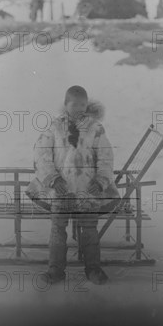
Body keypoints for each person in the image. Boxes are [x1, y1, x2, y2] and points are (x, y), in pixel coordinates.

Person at [26, 86, 120, 285]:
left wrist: (101, 180)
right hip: (61, 190)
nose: (79, 108)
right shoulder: (55, 127)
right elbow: (41, 154)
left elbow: (106, 156)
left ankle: (93, 268)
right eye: (74, 104)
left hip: (87, 189)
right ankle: (55, 270)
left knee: (89, 229)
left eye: (83, 105)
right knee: (58, 229)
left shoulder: (95, 128)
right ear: (66, 104)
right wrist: (53, 179)